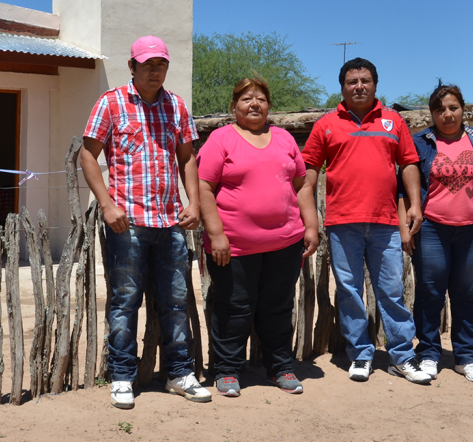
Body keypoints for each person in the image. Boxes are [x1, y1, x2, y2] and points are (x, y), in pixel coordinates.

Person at [80, 35, 211, 409]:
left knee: (175, 300)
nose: (155, 71)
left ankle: (179, 373)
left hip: (170, 220)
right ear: (132, 67)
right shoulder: (111, 104)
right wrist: (106, 205)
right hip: (129, 222)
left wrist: (194, 203)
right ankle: (122, 376)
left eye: (161, 65)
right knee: (125, 302)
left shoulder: (177, 107)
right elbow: (88, 156)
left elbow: (187, 157)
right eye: (148, 64)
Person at [298, 58, 431, 385]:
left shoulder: (393, 121)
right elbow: (309, 171)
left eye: (365, 80)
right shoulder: (326, 124)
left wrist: (414, 203)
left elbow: (409, 163)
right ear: (342, 86)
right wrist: (309, 219)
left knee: (391, 290)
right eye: (352, 81)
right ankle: (360, 354)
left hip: (385, 223)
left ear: (375, 84)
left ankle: (402, 355)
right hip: (343, 224)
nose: (359, 86)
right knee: (349, 291)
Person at [196, 77, 319, 397]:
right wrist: (216, 233)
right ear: (234, 106)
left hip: (285, 242)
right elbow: (203, 187)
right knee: (234, 307)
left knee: (278, 306)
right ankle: (226, 371)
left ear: (269, 105)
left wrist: (311, 225)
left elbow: (303, 184)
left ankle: (280, 367)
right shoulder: (221, 140)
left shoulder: (284, 139)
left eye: (260, 99)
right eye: (246, 99)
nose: (254, 104)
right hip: (233, 246)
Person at [401, 82, 473, 384]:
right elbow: (403, 188)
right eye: (440, 110)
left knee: (466, 295)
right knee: (430, 293)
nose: (447, 114)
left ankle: (466, 357)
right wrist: (405, 228)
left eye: (453, 108)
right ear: (432, 114)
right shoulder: (421, 141)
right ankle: (429, 354)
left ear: (463, 109)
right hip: (432, 229)